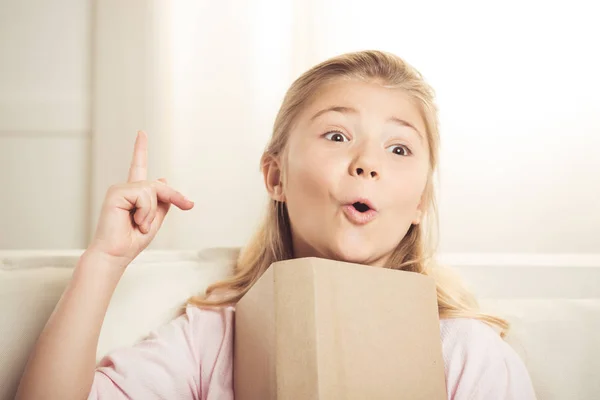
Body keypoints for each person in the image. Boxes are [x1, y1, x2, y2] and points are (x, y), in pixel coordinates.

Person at [16, 50, 537, 400]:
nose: (367, 162)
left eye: (398, 148)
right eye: (337, 136)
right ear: (275, 175)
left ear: (420, 199)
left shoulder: (466, 354)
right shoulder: (211, 340)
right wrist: (104, 261)